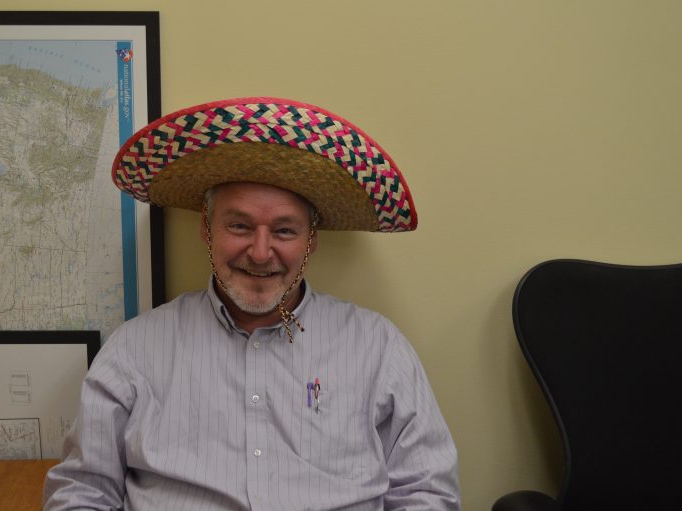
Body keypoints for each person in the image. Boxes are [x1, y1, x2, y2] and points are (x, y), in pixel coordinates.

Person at [43, 97, 460, 510]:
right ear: (206, 229)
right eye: (239, 225)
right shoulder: (134, 350)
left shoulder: (379, 348)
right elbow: (82, 493)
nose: (260, 253)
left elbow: (427, 494)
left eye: (284, 231)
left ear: (311, 240)